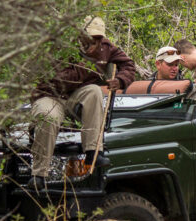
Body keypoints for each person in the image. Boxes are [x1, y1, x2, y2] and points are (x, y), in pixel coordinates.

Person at [28, 16, 136, 188]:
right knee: (48, 117)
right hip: (50, 95)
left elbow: (129, 65)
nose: (93, 42)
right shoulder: (59, 46)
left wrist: (121, 80)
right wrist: (86, 67)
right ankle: (39, 174)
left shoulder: (106, 48)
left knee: (94, 91)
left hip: (76, 97)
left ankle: (94, 152)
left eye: (97, 38)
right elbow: (52, 79)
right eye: (90, 37)